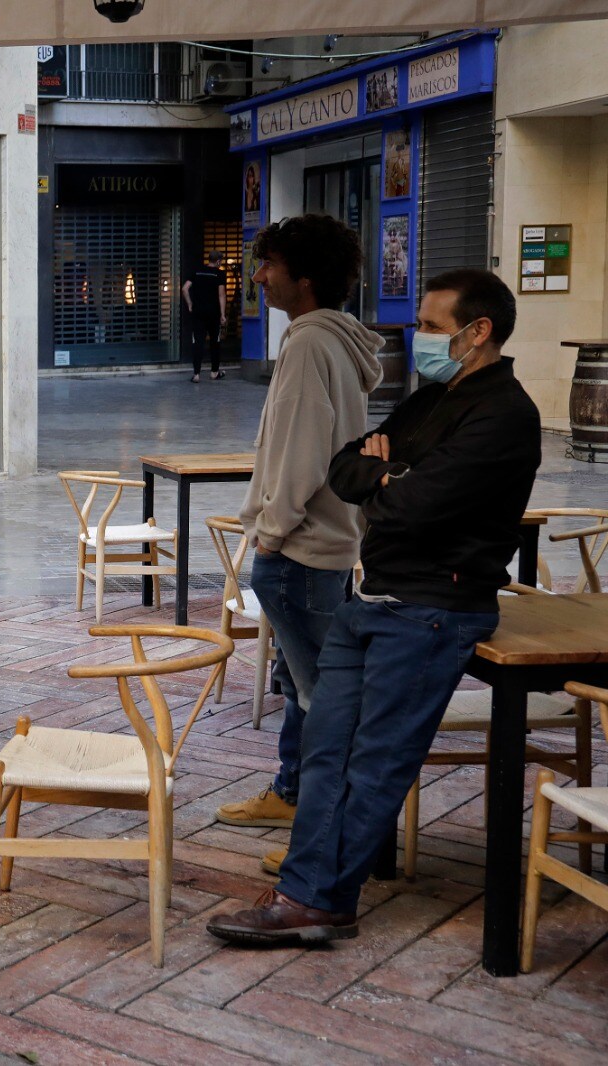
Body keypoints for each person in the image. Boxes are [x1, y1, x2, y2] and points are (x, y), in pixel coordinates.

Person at [209, 269, 540, 945]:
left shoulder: (504, 413)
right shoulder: (430, 400)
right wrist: (390, 474)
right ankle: (309, 892)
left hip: (431, 609)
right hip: (370, 599)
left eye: (430, 326)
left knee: (375, 760)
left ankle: (317, 899)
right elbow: (344, 469)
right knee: (326, 748)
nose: (414, 336)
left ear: (478, 333)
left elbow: (415, 507)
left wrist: (387, 477)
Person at [213, 215, 383, 877]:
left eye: (270, 266)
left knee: (323, 699)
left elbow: (305, 450)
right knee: (301, 683)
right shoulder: (332, 340)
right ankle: (292, 796)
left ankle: (326, 835)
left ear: (303, 279)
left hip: (302, 550)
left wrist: (272, 530)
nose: (258, 277)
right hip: (323, 547)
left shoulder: (311, 343)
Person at [181, 249, 230, 382]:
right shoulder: (219, 274)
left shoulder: (197, 271)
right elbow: (221, 295)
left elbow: (185, 288)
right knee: (215, 342)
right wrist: (223, 314)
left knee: (198, 342)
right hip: (213, 313)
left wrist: (190, 304)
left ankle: (196, 374)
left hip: (198, 313)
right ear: (218, 261)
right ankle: (214, 372)